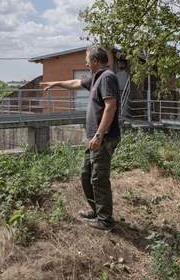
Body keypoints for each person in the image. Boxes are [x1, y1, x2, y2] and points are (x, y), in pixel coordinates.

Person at [40, 45, 120, 231]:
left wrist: (100, 135)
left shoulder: (107, 77)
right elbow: (76, 83)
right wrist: (56, 83)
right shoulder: (95, 79)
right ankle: (97, 210)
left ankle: (105, 221)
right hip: (95, 137)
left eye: (86, 59)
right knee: (86, 174)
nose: (85, 62)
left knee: (99, 178)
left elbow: (111, 107)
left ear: (94, 61)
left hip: (104, 137)